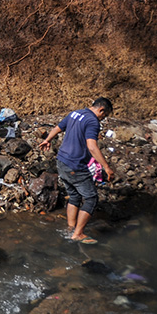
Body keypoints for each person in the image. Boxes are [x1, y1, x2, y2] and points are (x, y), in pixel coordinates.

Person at [38, 98, 115, 245]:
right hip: (75, 165)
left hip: (61, 161)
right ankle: (78, 234)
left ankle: (70, 228)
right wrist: (106, 166)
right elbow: (92, 146)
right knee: (91, 198)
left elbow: (57, 128)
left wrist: (47, 140)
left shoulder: (75, 113)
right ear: (101, 110)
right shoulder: (93, 121)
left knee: (74, 196)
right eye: (104, 116)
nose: (103, 119)